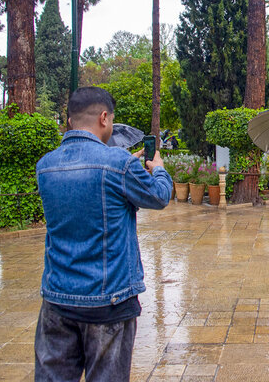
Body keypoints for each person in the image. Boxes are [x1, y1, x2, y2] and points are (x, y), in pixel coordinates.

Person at [34, 87, 173, 382]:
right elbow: (159, 197)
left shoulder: (45, 166)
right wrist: (158, 169)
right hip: (108, 302)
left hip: (57, 299)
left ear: (70, 121)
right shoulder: (117, 165)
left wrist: (124, 165)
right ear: (104, 117)